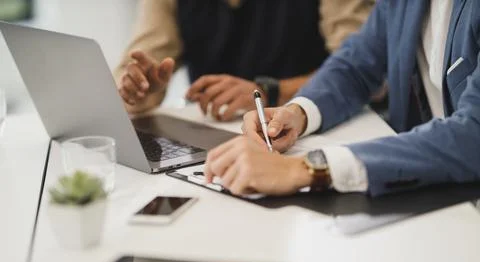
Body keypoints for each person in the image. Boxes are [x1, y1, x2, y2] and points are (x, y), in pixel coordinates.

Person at [204, 0, 480, 197]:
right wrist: (296, 113)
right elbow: (356, 65)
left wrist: (307, 168)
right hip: (429, 195)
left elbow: (473, 134)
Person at [115, 0, 375, 121]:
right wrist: (137, 89)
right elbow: (136, 68)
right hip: (213, 141)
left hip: (310, 129)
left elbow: (367, 72)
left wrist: (270, 91)